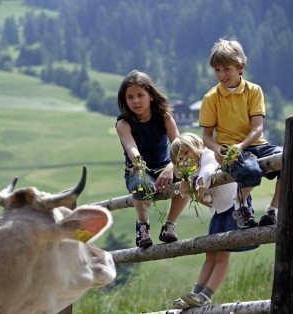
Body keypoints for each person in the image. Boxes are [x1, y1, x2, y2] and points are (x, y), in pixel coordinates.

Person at [199, 38, 282, 228]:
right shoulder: (211, 98)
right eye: (217, 70)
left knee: (290, 160)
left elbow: (257, 128)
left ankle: (272, 210)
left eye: (226, 69)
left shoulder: (254, 90)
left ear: (240, 66)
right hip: (229, 149)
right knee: (251, 170)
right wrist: (218, 149)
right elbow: (206, 137)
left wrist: (242, 146)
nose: (222, 75)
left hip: (256, 144)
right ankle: (240, 205)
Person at [169, 133, 258, 309]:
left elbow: (209, 170)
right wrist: (187, 185)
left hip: (235, 206)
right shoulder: (193, 169)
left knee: (222, 254)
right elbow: (196, 191)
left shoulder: (209, 155)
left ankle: (206, 295)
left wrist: (200, 185)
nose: (186, 159)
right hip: (220, 211)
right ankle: (195, 293)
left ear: (198, 147)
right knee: (210, 254)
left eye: (187, 153)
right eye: (181, 158)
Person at [115, 70, 189, 248]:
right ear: (124, 100)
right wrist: (139, 164)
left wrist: (171, 167)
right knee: (142, 185)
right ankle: (142, 225)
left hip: (166, 166)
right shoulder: (123, 123)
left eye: (140, 95)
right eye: (130, 97)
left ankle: (170, 225)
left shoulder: (164, 118)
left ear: (151, 95)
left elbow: (179, 147)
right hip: (138, 168)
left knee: (188, 176)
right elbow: (130, 146)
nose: (136, 101)